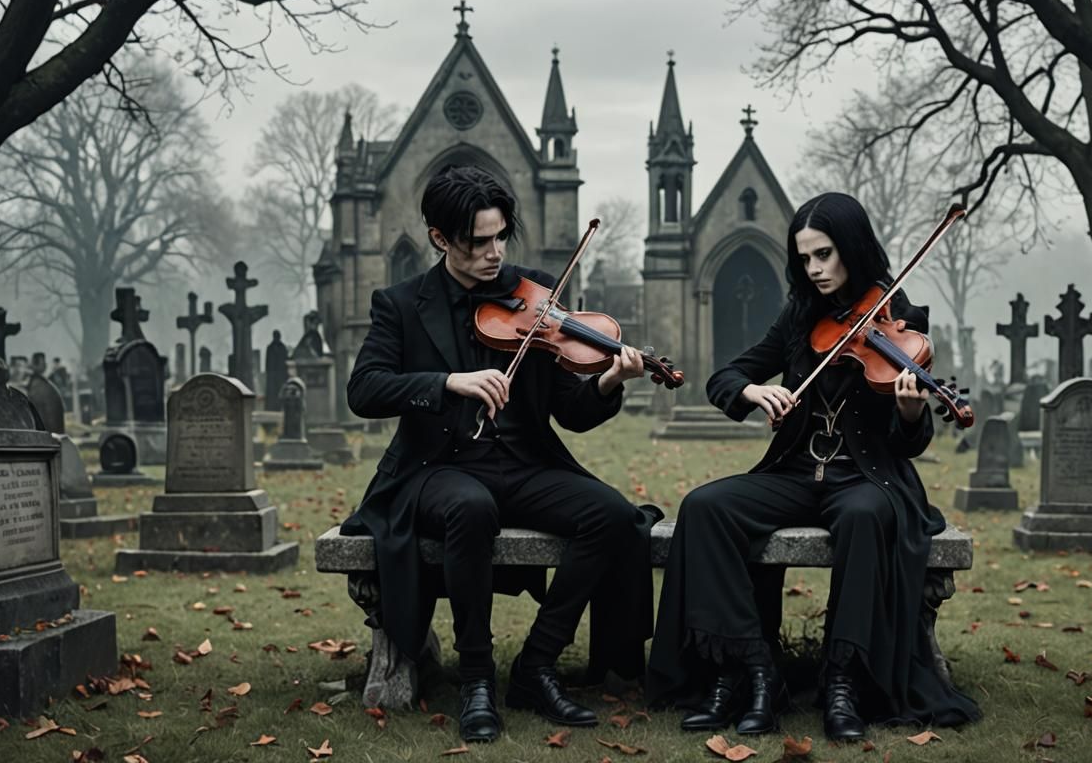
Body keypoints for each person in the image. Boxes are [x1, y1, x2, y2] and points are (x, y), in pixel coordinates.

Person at [646, 192, 980, 740]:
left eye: (824, 254)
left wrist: (910, 409)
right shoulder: (799, 317)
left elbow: (909, 442)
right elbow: (724, 376)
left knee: (865, 517)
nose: (815, 269)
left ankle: (844, 681)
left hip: (866, 476)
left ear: (851, 248)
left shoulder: (903, 318)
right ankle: (752, 671)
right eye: (805, 259)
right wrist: (753, 389)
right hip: (797, 471)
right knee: (706, 507)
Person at [342, 164, 657, 744]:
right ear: (441, 239)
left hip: (524, 465)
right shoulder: (402, 304)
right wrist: (446, 383)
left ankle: (536, 665)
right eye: (478, 242)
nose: (494, 253)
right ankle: (477, 677)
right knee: (470, 507)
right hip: (439, 470)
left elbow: (573, 412)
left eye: (500, 237)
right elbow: (363, 390)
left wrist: (610, 382)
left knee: (611, 516)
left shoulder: (535, 294)